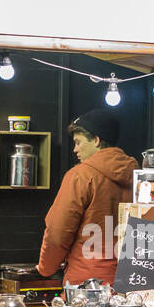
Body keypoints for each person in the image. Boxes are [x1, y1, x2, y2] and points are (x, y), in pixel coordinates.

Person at [35, 109, 138, 285]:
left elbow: (58, 233)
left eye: (78, 142)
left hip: (88, 285)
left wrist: (45, 268)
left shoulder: (80, 176)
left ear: (96, 140)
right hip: (133, 279)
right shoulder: (139, 175)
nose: (75, 149)